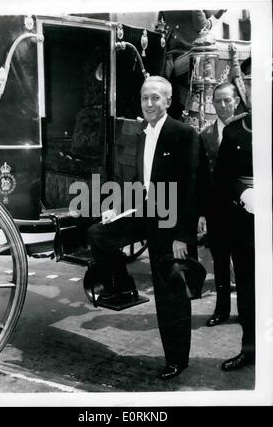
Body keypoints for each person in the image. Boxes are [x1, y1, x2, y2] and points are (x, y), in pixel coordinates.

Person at [87, 76, 200, 380]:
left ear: (168, 100)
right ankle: (120, 285)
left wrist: (181, 236)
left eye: (155, 98)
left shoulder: (184, 134)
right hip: (143, 211)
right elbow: (139, 183)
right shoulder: (140, 133)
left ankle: (177, 359)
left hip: (169, 218)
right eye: (144, 98)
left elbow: (191, 189)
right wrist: (116, 209)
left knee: (170, 292)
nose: (149, 104)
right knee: (99, 234)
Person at [214, 57, 255, 370]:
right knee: (248, 287)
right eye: (250, 85)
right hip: (244, 222)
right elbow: (223, 176)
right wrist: (243, 192)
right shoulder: (234, 132)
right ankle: (250, 349)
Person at [198, 82, 242, 327]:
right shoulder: (205, 136)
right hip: (217, 211)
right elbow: (202, 178)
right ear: (212, 104)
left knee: (245, 264)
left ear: (236, 101)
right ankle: (221, 310)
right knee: (221, 263)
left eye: (227, 101)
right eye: (218, 101)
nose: (223, 106)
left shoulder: (249, 132)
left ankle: (247, 311)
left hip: (244, 211)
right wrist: (202, 213)